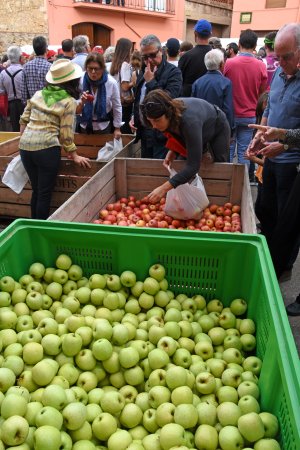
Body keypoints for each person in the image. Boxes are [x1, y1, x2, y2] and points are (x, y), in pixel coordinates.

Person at [248, 23, 300, 281]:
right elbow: (270, 108)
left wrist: (285, 144)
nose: (279, 63)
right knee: (265, 208)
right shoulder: (278, 76)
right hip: (271, 160)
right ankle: (268, 256)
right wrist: (261, 132)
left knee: (287, 221)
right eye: (276, 57)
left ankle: (282, 268)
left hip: (293, 164)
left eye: (286, 57)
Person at [19, 59, 91, 220]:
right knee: (44, 193)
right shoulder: (68, 101)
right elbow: (66, 135)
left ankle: (33, 229)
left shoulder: (38, 94)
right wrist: (75, 155)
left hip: (25, 148)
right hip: (46, 149)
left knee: (37, 191)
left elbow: (23, 119)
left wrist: (24, 141)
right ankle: (42, 231)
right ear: (72, 81)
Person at [140, 89, 230, 203]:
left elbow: (193, 166)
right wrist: (173, 149)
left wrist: (163, 188)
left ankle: (218, 199)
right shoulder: (166, 116)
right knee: (184, 164)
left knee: (218, 165)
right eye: (150, 121)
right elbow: (176, 133)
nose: (154, 126)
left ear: (168, 113)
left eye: (157, 120)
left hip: (217, 126)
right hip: (196, 127)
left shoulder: (189, 122)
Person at [248, 124, 300, 316]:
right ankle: (270, 278)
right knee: (280, 222)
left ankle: (279, 272)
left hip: (289, 160)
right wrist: (267, 134)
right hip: (278, 158)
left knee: (287, 226)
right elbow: (269, 108)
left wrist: (284, 140)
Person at [129, 34, 182, 159]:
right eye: (145, 57)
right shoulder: (144, 71)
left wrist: (151, 82)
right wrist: (134, 115)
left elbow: (169, 100)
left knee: (159, 173)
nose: (149, 60)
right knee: (147, 172)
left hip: (162, 135)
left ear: (161, 52)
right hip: (144, 132)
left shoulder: (174, 72)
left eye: (152, 55)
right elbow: (139, 98)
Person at [224, 29, 267, 167]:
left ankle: (227, 182)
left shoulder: (229, 63)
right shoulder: (261, 65)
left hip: (230, 114)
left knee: (228, 149)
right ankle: (242, 184)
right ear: (255, 47)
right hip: (249, 115)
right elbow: (262, 93)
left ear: (239, 43)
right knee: (244, 151)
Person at [76, 52, 122, 139]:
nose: (93, 72)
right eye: (90, 68)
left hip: (103, 126)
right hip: (84, 125)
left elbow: (117, 106)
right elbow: (74, 103)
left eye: (96, 69)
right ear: (86, 68)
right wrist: (81, 102)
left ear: (102, 69)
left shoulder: (111, 82)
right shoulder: (80, 80)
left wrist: (117, 128)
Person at [191, 49, 234, 135]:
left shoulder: (197, 82)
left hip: (201, 125)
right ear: (222, 64)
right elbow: (228, 108)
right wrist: (231, 129)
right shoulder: (225, 82)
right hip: (219, 126)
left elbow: (193, 106)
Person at [178, 19, 212, 97]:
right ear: (210, 34)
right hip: (208, 100)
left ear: (195, 33)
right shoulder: (216, 56)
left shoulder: (186, 56)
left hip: (188, 100)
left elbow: (178, 80)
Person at [110, 38, 134, 134]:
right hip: (124, 101)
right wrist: (134, 82)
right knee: (124, 129)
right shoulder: (125, 65)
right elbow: (125, 86)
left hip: (115, 100)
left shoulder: (114, 64)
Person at [21, 36, 51, 105]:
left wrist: (26, 105)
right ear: (46, 49)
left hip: (33, 106)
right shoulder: (50, 67)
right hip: (47, 106)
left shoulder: (26, 67)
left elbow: (24, 92)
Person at [0, 46, 24, 131]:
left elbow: (2, 91)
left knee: (15, 129)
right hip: (23, 103)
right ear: (20, 57)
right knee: (24, 128)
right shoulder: (23, 71)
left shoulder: (3, 73)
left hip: (11, 104)